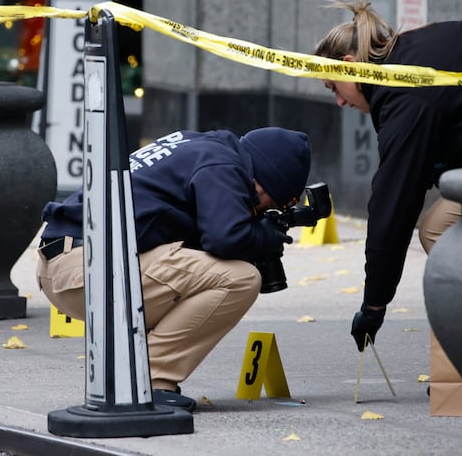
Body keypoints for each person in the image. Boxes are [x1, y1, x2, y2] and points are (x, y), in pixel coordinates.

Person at [313, 0, 462, 351]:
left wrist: (374, 304)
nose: (338, 101)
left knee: (439, 227)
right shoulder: (414, 52)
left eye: (333, 86)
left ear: (350, 67)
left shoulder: (403, 96)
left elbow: (393, 205)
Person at [36, 127, 311, 412]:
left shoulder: (203, 146)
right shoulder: (224, 166)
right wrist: (264, 237)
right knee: (240, 279)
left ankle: (131, 373)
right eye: (274, 205)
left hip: (68, 262)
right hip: (87, 269)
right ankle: (149, 381)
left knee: (198, 273)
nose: (266, 211)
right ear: (263, 184)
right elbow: (225, 238)